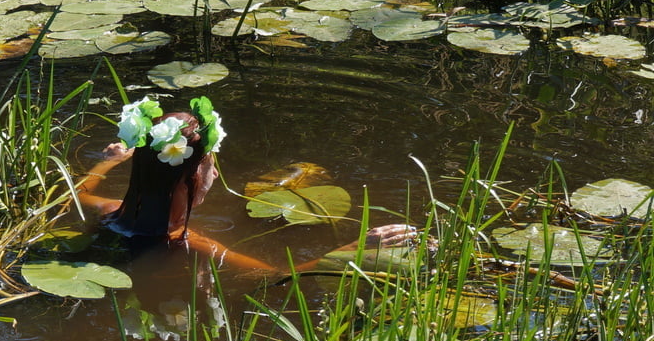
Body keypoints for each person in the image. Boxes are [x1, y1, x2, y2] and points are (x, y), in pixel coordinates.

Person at [76, 96, 422, 274]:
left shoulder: (111, 213)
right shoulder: (188, 242)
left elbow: (77, 194)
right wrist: (349, 251)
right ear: (192, 182)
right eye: (212, 169)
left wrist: (110, 159)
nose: (213, 175)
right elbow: (275, 275)